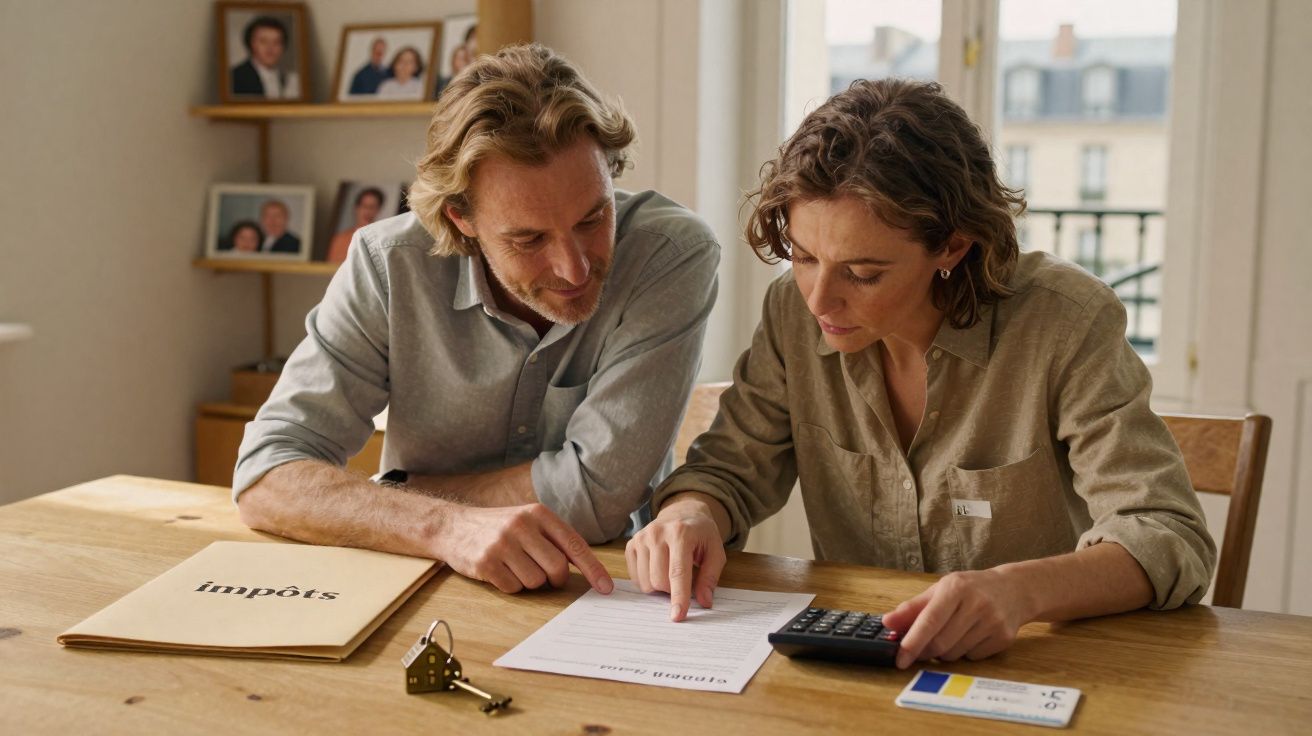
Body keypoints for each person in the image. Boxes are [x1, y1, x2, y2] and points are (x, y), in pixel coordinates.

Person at [626, 79, 1215, 669]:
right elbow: (730, 469)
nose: (819, 302)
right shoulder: (792, 314)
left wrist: (1018, 591)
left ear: (952, 247)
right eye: (804, 258)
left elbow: (1165, 532)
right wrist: (689, 514)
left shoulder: (1065, 323)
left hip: (1031, 667)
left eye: (861, 273)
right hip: (858, 672)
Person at [234, 44, 720, 598]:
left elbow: (596, 497)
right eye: (528, 238)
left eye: (594, 217)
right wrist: (443, 525)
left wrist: (396, 494)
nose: (575, 267)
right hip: (419, 577)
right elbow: (266, 475)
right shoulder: (386, 264)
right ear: (460, 219)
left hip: (608, 588)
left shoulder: (670, 253)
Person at [230, 15, 300, 99]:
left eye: (276, 42)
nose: (270, 48)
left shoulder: (290, 80)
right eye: (263, 41)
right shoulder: (235, 77)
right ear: (251, 44)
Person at [327, 187, 385, 263]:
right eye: (364, 206)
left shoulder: (383, 241)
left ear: (378, 210)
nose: (367, 211)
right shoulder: (340, 240)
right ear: (356, 208)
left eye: (372, 207)